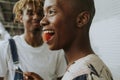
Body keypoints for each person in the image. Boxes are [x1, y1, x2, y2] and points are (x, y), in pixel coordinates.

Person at [28, 0, 113, 80]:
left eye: (51, 12)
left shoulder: (83, 74)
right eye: (44, 13)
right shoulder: (91, 66)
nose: (42, 21)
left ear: (81, 19)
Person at [0, 0, 67, 80]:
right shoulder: (6, 48)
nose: (36, 17)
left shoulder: (56, 50)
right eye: (30, 13)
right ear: (20, 17)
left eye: (40, 13)